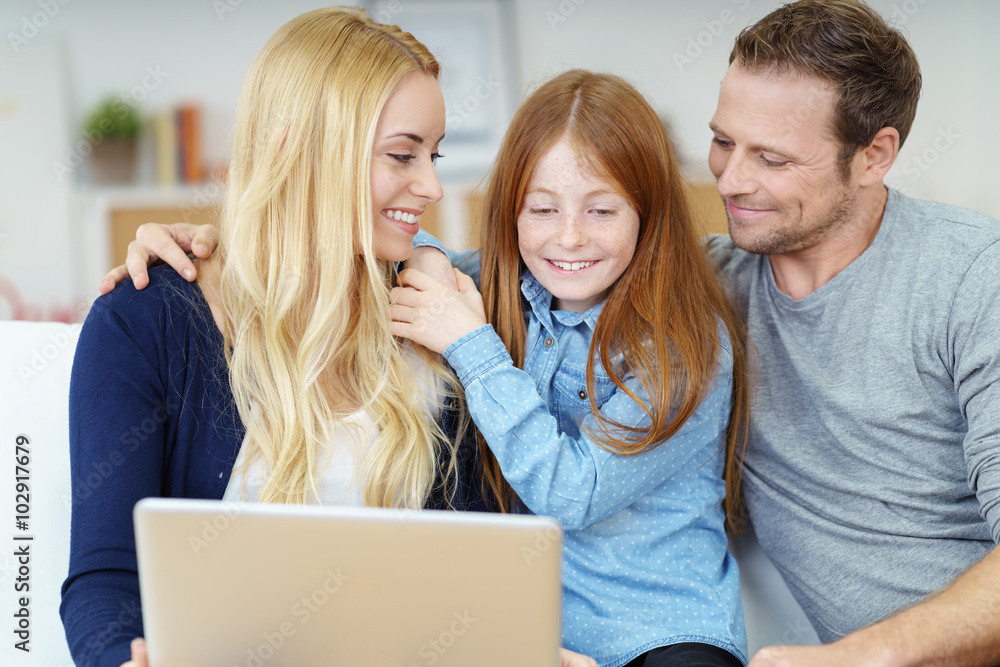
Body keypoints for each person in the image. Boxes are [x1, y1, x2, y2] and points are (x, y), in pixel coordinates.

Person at [118, 70, 752, 666]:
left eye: (602, 210)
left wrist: (472, 342)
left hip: (663, 635)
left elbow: (570, 493)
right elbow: (364, 244)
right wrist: (210, 241)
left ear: (650, 214)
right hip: (532, 634)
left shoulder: (686, 344)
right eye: (542, 209)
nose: (569, 238)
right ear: (510, 212)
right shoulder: (496, 285)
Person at [59, 8, 530, 667]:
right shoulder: (147, 321)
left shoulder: (435, 316)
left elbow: (479, 573)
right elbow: (104, 578)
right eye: (402, 154)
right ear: (301, 152)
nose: (429, 184)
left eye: (435, 153)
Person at [702, 1, 1000, 665]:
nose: (730, 179)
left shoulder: (974, 278)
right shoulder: (711, 284)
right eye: (723, 141)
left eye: (772, 159)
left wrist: (862, 656)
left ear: (874, 155)